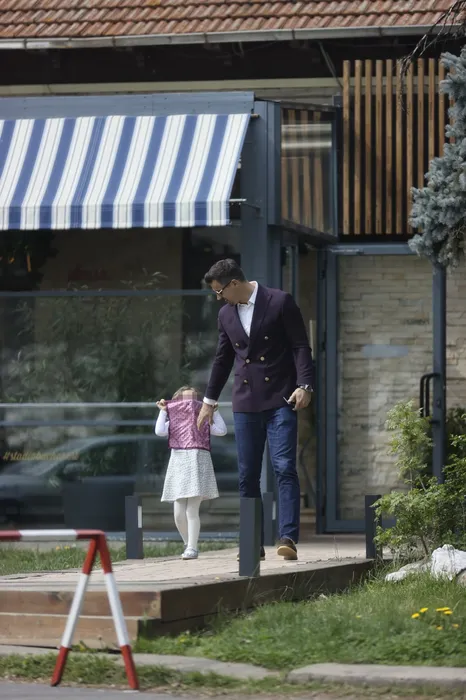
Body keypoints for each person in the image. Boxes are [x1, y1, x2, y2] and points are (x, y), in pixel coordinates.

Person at [197, 259, 314, 561]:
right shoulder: (226, 314)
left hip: (281, 398)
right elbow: (223, 359)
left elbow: (300, 346)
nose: (218, 298)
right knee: (247, 474)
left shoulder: (279, 301)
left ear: (234, 283)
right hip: (246, 401)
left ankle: (287, 537)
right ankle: (252, 542)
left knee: (284, 467)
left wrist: (304, 384)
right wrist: (209, 401)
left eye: (220, 291)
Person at [156, 385, 227, 560]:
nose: (189, 404)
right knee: (178, 514)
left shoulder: (203, 420)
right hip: (179, 465)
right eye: (184, 400)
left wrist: (214, 411)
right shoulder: (173, 422)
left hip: (198, 464)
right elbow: (159, 431)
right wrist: (164, 411)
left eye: (193, 399)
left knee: (191, 510)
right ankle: (188, 543)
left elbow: (222, 430)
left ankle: (192, 548)